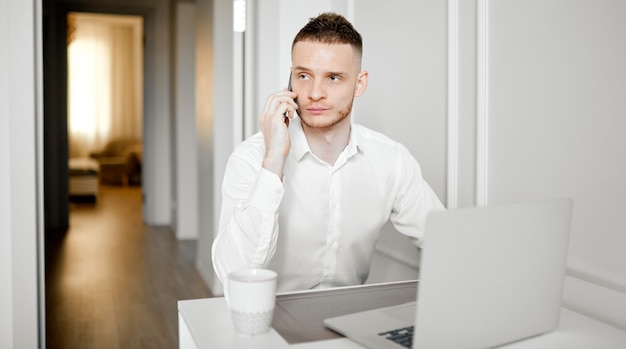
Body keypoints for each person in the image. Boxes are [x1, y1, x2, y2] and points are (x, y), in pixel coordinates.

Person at [212, 12, 444, 294]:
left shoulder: (392, 160)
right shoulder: (250, 158)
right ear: (290, 80)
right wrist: (273, 161)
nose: (314, 93)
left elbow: (447, 243)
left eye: (333, 77)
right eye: (303, 76)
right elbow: (232, 274)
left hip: (349, 317)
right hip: (267, 319)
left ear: (359, 84)